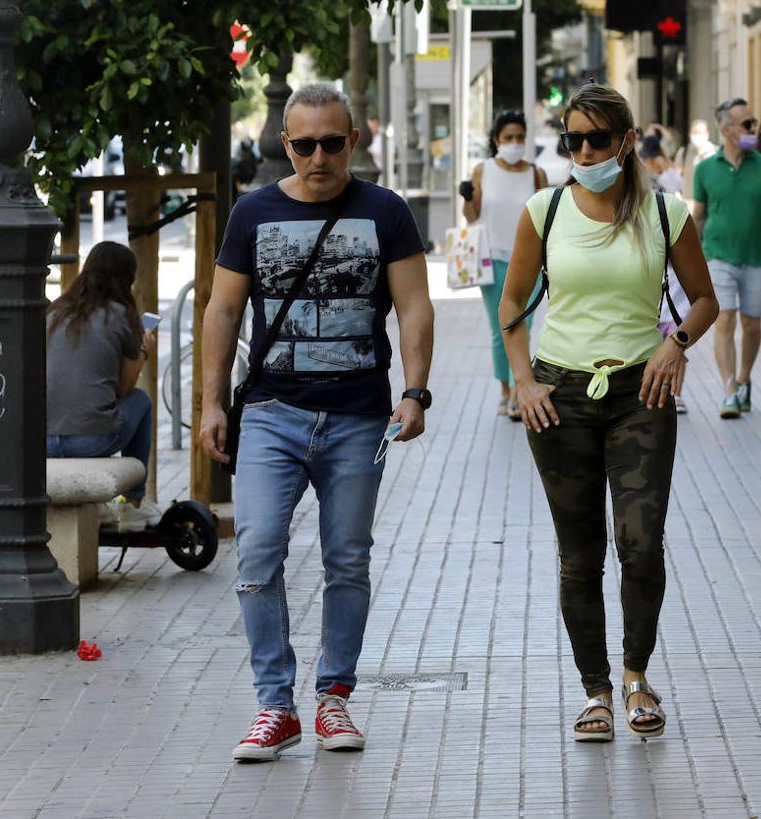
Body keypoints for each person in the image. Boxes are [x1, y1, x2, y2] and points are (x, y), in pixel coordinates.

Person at [200, 82, 433, 762]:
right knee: (257, 554)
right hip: (272, 412)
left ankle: (332, 699)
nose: (319, 156)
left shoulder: (386, 212)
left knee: (347, 560)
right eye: (303, 145)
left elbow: (414, 306)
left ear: (353, 141)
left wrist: (416, 392)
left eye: (333, 142)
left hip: (359, 416)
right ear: (285, 145)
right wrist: (212, 403)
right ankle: (276, 706)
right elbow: (221, 311)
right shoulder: (253, 212)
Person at [499, 83, 718, 743]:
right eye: (573, 140)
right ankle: (594, 690)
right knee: (579, 554)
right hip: (559, 399)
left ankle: (635, 676)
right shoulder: (545, 209)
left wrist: (674, 345)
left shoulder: (664, 212)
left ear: (627, 142)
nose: (584, 150)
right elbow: (510, 307)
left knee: (641, 544)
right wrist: (525, 383)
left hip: (641, 395)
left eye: (597, 138)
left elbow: (704, 300)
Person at [691, 97, 761, 419]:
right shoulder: (706, 169)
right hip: (718, 254)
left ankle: (744, 378)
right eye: (748, 124)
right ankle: (729, 390)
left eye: (754, 122)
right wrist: (687, 258)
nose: (755, 128)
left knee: (752, 324)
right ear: (727, 129)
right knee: (724, 319)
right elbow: (698, 216)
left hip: (755, 257)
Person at [45, 241, 159, 528]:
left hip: (43, 440)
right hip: (91, 441)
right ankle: (132, 503)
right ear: (127, 279)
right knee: (141, 401)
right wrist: (143, 352)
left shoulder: (54, 312)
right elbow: (123, 388)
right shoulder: (120, 316)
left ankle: (114, 505)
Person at [461, 109, 548, 419]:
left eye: (520, 138)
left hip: (529, 264)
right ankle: (505, 390)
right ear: (496, 139)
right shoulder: (483, 170)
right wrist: (467, 197)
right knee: (500, 329)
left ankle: (518, 389)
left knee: (523, 325)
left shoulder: (536, 174)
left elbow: (545, 219)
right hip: (492, 260)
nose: (514, 143)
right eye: (508, 137)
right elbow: (471, 216)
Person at [639, 133, 683, 199]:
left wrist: (663, 172)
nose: (649, 161)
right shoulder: (642, 167)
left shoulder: (666, 166)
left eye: (652, 158)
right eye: (647, 158)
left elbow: (677, 187)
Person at [674, 119, 716, 184]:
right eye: (695, 133)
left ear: (707, 134)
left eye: (700, 132)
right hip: (688, 193)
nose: (697, 135)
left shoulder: (715, 152)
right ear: (690, 134)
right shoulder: (684, 152)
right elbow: (676, 175)